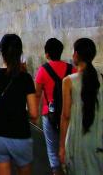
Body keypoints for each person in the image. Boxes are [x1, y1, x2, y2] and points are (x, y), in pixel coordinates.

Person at [0, 34, 38, 175]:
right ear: (20, 53)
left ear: (2, 53)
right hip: (21, 134)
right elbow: (34, 113)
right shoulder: (26, 78)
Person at [59, 38, 103, 174]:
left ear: (76, 54)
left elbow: (66, 116)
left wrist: (61, 146)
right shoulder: (100, 78)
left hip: (77, 139)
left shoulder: (68, 81)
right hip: (97, 139)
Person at [35, 38, 76, 175]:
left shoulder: (43, 70)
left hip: (49, 113)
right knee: (66, 145)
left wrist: (34, 113)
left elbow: (37, 94)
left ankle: (56, 171)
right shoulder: (71, 69)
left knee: (52, 149)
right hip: (68, 113)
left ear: (47, 54)